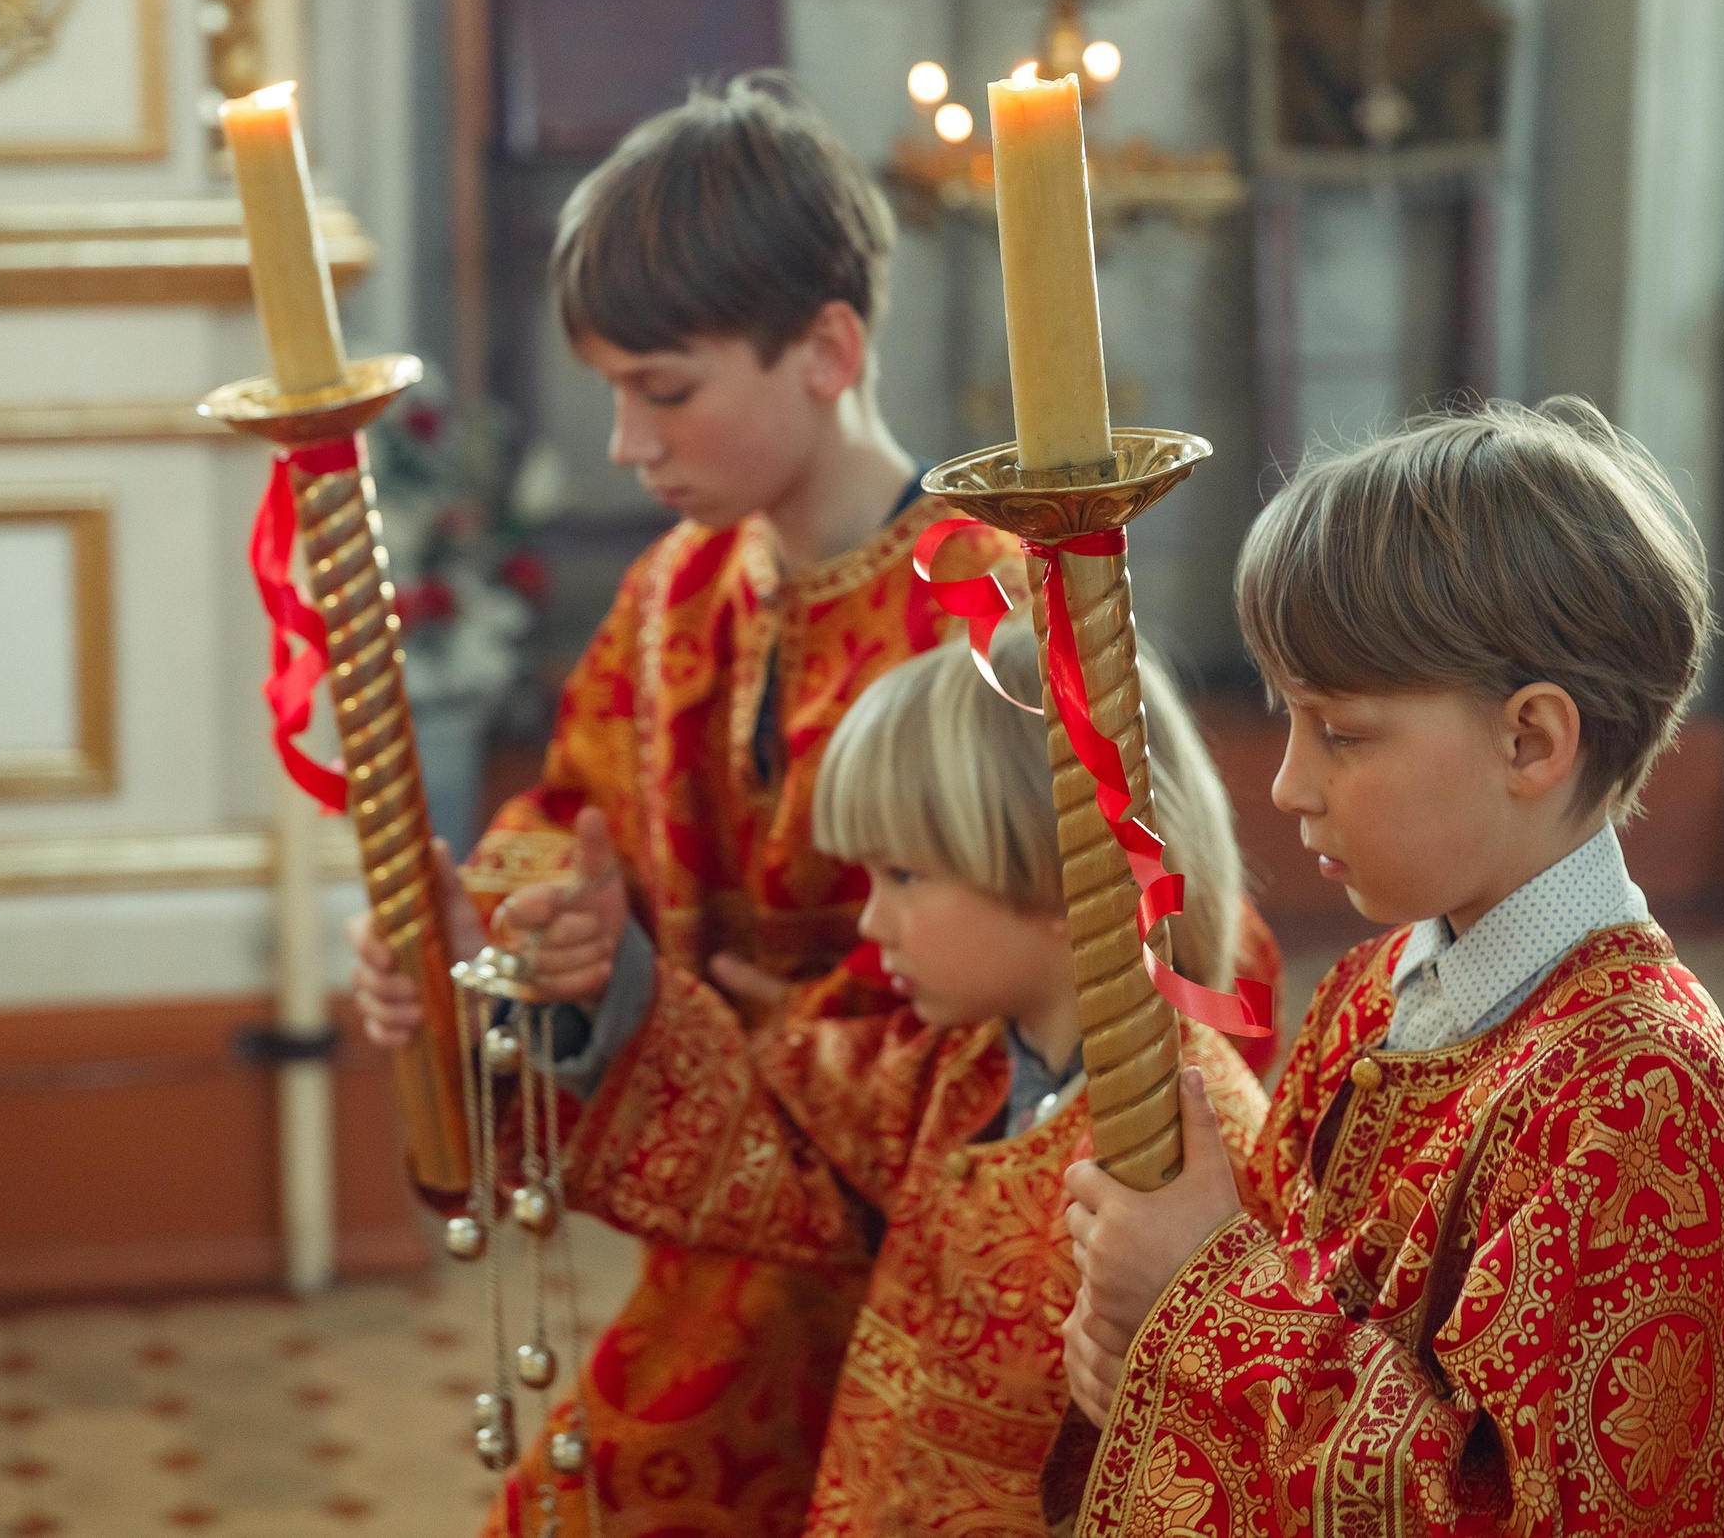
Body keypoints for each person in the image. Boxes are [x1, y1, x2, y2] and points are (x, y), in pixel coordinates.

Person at [351, 73, 1216, 1537]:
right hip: (729, 1253)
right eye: (614, 390)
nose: (628, 442)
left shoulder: (996, 603)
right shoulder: (673, 593)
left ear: (827, 348)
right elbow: (568, 819)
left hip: (947, 1273)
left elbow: (1141, 944)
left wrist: (756, 1029)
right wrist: (505, 938)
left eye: (665, 388)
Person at [1054, 398, 1724, 1536]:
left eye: (1341, 734)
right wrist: (1147, 1361)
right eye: (1288, 722)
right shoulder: (1370, 993)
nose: (1288, 785)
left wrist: (1201, 1292)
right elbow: (1280, 1327)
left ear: (1531, 742)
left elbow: (1514, 1513)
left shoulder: (1645, 1104)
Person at [362, 626, 1280, 1536]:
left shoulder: (1190, 1152)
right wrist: (598, 989)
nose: (872, 921)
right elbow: (768, 1127)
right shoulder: (949, 1066)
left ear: (1062, 872)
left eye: (905, 875)